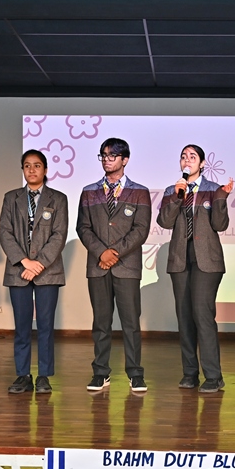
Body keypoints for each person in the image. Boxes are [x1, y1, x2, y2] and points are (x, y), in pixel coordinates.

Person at [156, 144, 235, 393]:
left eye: (192, 157)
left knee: (202, 314)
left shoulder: (213, 189)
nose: (187, 160)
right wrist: (177, 197)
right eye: (183, 157)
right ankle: (190, 373)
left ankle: (213, 376)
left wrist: (221, 199)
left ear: (202, 163)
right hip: (180, 258)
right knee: (184, 316)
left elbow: (220, 225)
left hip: (207, 259)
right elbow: (164, 221)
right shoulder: (172, 190)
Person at [77, 137, 152, 393]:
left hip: (127, 265)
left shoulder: (139, 191)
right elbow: (83, 227)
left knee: (131, 323)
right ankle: (101, 373)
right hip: (98, 266)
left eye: (112, 156)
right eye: (104, 156)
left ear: (125, 160)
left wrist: (115, 252)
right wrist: (102, 252)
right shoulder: (89, 191)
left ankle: (135, 373)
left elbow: (141, 229)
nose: (107, 160)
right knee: (101, 322)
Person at [0, 149, 68, 394]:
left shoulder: (58, 199)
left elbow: (59, 235)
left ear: (45, 170)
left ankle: (44, 376)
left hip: (47, 271)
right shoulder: (11, 198)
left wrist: (38, 263)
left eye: (37, 165)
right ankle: (23, 375)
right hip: (19, 271)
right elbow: (5, 233)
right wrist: (24, 262)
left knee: (46, 326)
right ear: (23, 169)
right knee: (22, 326)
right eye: (27, 165)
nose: (32, 170)